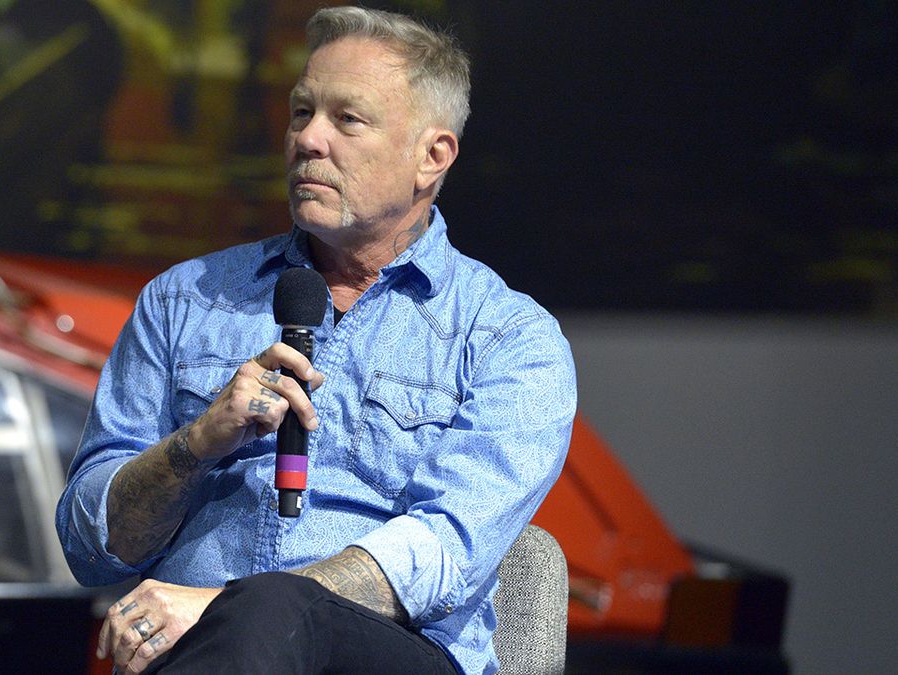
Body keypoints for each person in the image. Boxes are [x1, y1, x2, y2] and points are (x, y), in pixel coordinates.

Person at [56, 6, 576, 674]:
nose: (308, 139)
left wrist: (225, 606)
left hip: (391, 654)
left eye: (346, 119)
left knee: (271, 610)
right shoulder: (183, 299)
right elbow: (88, 545)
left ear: (432, 155)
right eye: (302, 112)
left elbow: (443, 549)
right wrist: (195, 444)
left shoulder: (509, 337)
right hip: (201, 654)